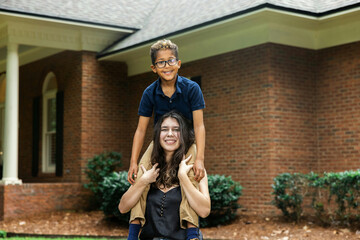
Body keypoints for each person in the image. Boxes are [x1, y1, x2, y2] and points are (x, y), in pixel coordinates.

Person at [127, 39, 206, 238]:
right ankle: (133, 232)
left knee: (190, 179)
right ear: (154, 68)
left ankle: (192, 233)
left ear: (178, 63)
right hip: (159, 143)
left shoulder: (192, 89)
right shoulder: (149, 92)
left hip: (187, 142)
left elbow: (199, 126)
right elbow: (140, 130)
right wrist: (133, 162)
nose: (167, 66)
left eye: (171, 61)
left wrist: (200, 159)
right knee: (141, 180)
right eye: (161, 62)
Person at [119, 111, 210, 240]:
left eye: (176, 129)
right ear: (158, 135)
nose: (170, 134)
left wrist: (183, 178)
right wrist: (143, 181)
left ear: (183, 134)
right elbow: (123, 207)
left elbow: (204, 211)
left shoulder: (195, 170)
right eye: (164, 129)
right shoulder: (148, 170)